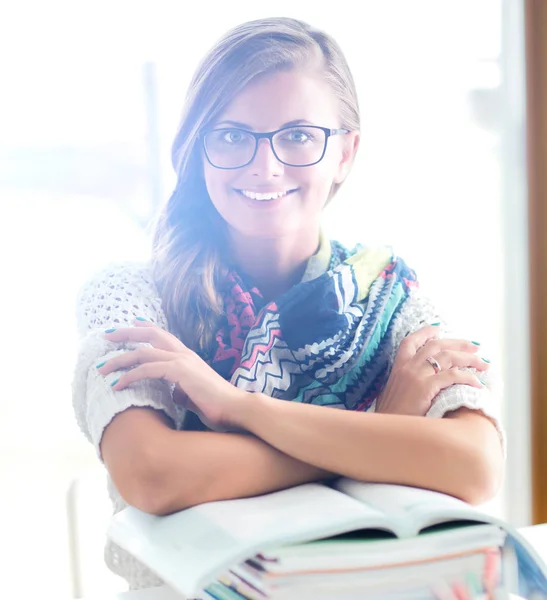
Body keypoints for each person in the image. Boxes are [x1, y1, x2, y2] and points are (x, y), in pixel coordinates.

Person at [72, 16, 505, 592]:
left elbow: (473, 465)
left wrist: (240, 407)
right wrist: (375, 435)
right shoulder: (129, 294)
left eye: (299, 135)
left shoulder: (393, 297)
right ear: (197, 150)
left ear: (346, 154)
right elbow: (152, 474)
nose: (265, 165)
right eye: (231, 135)